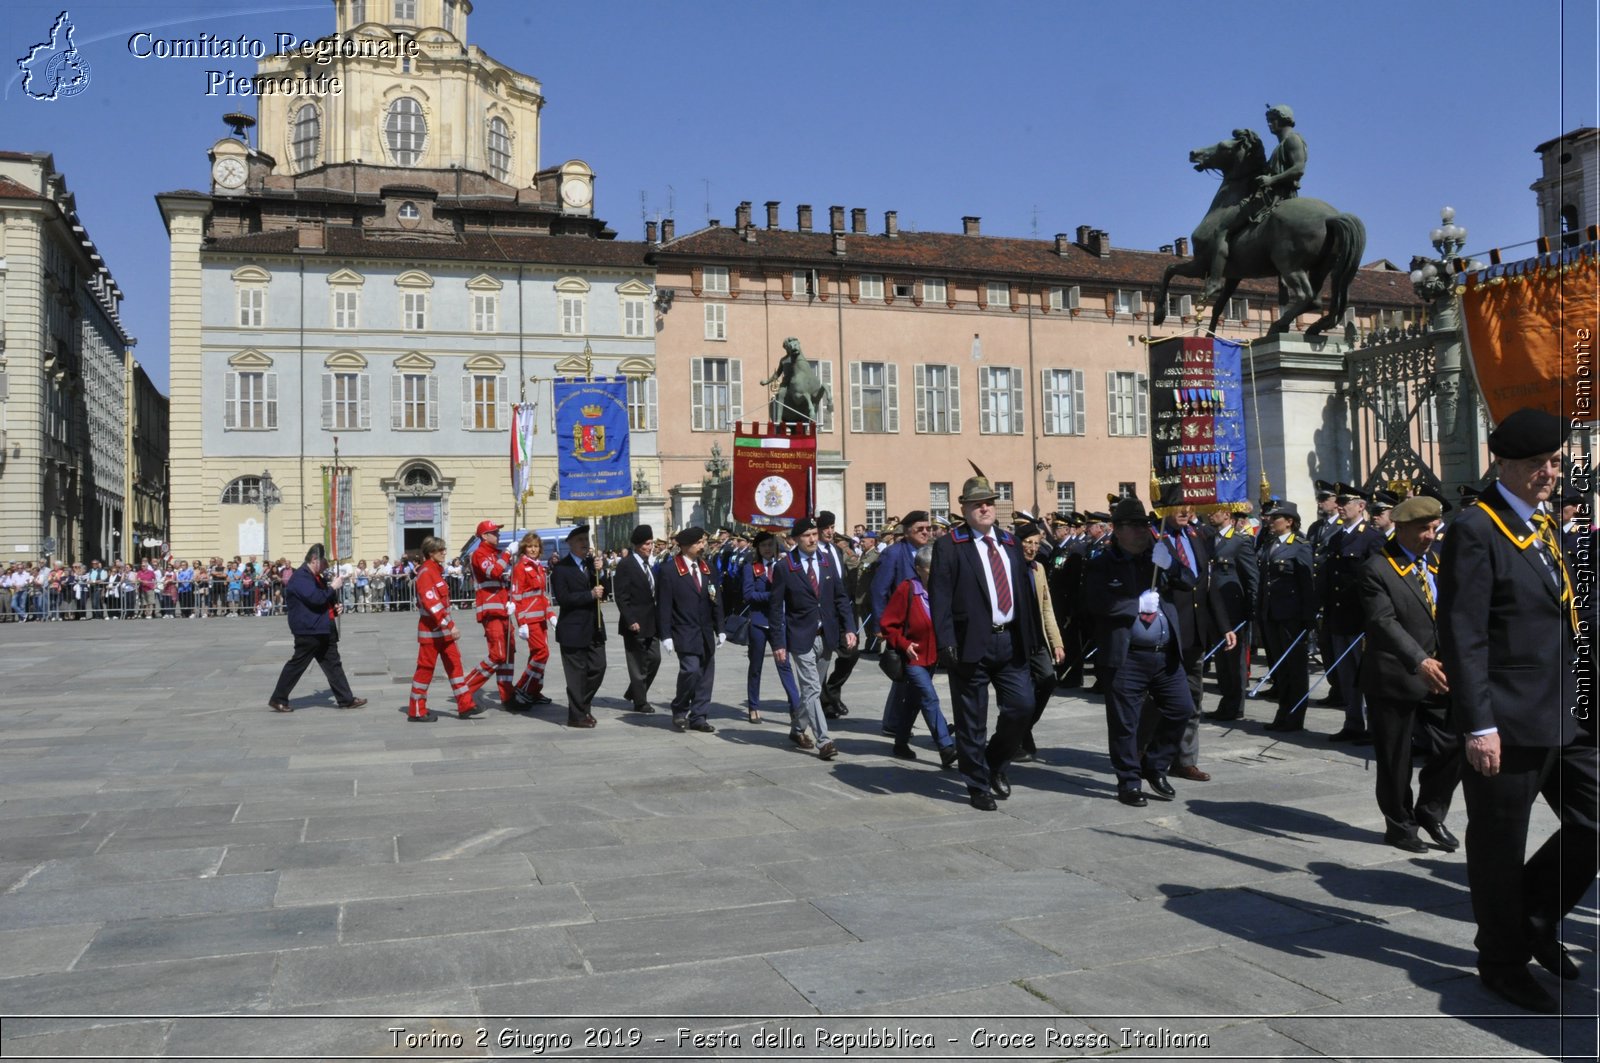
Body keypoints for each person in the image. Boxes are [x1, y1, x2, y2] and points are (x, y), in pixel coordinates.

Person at [1438, 406, 1599, 1013]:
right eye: (1536, 463)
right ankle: (1501, 961)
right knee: (1499, 847)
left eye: (1555, 462)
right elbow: (1463, 633)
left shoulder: (1542, 527)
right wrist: (1479, 724)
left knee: (1593, 824)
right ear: (1501, 462)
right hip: (1506, 719)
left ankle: (1533, 916)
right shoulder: (1477, 529)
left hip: (1569, 713)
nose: (1549, 472)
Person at [1357, 494, 1463, 854]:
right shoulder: (1378, 567)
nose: (1431, 535)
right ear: (1400, 528)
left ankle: (1430, 810)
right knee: (1394, 758)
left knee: (1455, 744)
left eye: (1434, 528)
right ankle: (1400, 825)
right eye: (1423, 529)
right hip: (1396, 676)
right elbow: (1382, 621)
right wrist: (1419, 660)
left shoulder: (1435, 562)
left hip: (1439, 674)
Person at [929, 469, 1040, 810]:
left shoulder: (1009, 542)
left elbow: (1024, 593)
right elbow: (941, 596)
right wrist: (945, 641)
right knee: (971, 720)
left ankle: (993, 762)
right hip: (969, 643)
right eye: (977, 504)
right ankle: (977, 784)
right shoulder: (951, 545)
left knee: (1022, 707)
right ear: (964, 509)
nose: (984, 509)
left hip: (1009, 640)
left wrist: (1032, 637)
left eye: (989, 503)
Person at [1083, 497, 1200, 806]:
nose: (1140, 531)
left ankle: (1156, 765)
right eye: (1132, 526)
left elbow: (1189, 582)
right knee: (1125, 723)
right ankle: (1129, 781)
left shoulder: (1158, 554)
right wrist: (1134, 605)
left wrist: (1171, 564)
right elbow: (1095, 603)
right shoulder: (1101, 563)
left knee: (1181, 708)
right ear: (1117, 530)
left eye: (1143, 525)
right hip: (1127, 655)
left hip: (1164, 653)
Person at [770, 517, 856, 760]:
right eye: (807, 535)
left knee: (812, 692)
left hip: (825, 636)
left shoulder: (827, 560)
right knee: (811, 687)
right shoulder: (786, 567)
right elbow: (776, 608)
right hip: (800, 636)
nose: (812, 539)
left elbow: (841, 598)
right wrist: (778, 643)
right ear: (796, 539)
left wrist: (849, 628)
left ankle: (797, 729)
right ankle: (824, 740)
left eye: (814, 534)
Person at [1205, 102, 1308, 301]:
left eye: (1273, 120)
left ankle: (1216, 280)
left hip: (1276, 197)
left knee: (1222, 230)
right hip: (1274, 195)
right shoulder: (1280, 145)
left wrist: (1272, 180)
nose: (1270, 124)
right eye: (1268, 121)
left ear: (1283, 119)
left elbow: (1299, 168)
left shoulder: (1292, 140)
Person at [877, 542, 958, 767]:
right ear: (919, 569)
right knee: (929, 697)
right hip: (913, 658)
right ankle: (945, 746)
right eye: (932, 569)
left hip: (933, 657)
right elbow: (888, 624)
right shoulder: (907, 589)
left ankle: (900, 743)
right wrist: (904, 644)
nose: (937, 574)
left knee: (914, 700)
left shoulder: (943, 590)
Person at [1152, 501, 1214, 781]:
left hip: (1193, 631)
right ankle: (1149, 753)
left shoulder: (1196, 536)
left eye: (1190, 506)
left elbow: (1205, 585)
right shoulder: (1153, 537)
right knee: (1156, 699)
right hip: (1164, 629)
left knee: (1192, 698)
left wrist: (1223, 625)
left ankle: (1185, 759)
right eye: (1178, 506)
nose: (1186, 512)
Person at [1321, 484, 1387, 743]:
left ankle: (1373, 725)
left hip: (1361, 618)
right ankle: (1353, 722)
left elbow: (1376, 581)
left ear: (1361, 506)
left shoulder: (1371, 537)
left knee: (1366, 674)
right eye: (1339, 501)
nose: (1340, 505)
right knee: (1347, 675)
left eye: (1346, 501)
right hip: (1339, 617)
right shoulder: (1336, 537)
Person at [266, 544, 366, 713]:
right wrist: (333, 587)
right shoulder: (301, 578)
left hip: (322, 629)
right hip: (309, 630)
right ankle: (278, 699)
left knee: (333, 664)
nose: (326, 564)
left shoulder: (315, 577)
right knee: (297, 664)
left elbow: (325, 599)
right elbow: (315, 599)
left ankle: (346, 699)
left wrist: (335, 606)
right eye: (323, 561)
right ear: (314, 560)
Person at [872, 511, 934, 743]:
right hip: (902, 625)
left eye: (928, 528)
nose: (926, 532)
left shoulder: (931, 552)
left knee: (912, 675)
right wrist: (880, 625)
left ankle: (896, 721)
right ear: (907, 531)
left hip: (925, 624)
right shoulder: (894, 554)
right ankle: (899, 722)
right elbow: (879, 589)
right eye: (920, 529)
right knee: (907, 673)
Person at [658, 526, 725, 733]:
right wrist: (665, 635)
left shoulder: (707, 567)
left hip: (705, 631)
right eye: (698, 543)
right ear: (685, 546)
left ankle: (699, 716)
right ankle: (679, 709)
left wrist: (720, 627)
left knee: (705, 675)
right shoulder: (670, 570)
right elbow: (664, 605)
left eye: (703, 542)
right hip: (684, 630)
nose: (703, 546)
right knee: (690, 669)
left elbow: (716, 599)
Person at [1257, 502, 1318, 732]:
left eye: (1276, 518)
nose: (1270, 521)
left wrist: (1308, 617)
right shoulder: (1270, 544)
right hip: (1271, 614)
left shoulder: (1299, 546)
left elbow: (1307, 584)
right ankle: (1283, 711)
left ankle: (1295, 716)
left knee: (1295, 668)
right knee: (1280, 668)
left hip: (1292, 616)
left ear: (1289, 521)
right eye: (1270, 518)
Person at [408, 537, 482, 722]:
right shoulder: (426, 572)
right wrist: (449, 624)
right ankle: (417, 709)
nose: (444, 552)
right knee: (425, 670)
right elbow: (431, 603)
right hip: (431, 632)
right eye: (440, 550)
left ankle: (465, 705)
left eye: (444, 549)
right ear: (430, 553)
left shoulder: (436, 571)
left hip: (443, 632)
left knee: (455, 666)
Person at [1014, 518, 1066, 762]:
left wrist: (1056, 642)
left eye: (1036, 543)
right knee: (1019, 695)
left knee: (1047, 681)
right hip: (1015, 641)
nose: (1032, 548)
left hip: (1037, 639)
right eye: (1027, 542)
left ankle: (1023, 728)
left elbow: (1047, 607)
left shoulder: (1039, 569)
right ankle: (1016, 737)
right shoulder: (1009, 568)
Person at [1202, 506, 1259, 722]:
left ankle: (1236, 706)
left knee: (1235, 662)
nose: (1209, 514)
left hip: (1233, 608)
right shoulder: (1209, 540)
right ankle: (1226, 701)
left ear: (1227, 515)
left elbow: (1251, 576)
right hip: (1214, 608)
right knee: (1221, 660)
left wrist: (1252, 608)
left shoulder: (1240, 541)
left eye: (1215, 511)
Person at [742, 531, 802, 727]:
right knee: (756, 666)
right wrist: (773, 595)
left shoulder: (783, 566)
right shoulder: (752, 568)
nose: (767, 549)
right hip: (759, 622)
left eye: (770, 545)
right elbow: (749, 595)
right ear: (758, 549)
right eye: (764, 546)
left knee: (784, 665)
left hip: (779, 623)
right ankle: (753, 706)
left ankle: (795, 707)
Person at [551, 524, 605, 728]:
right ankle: (577, 714)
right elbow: (563, 598)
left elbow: (604, 590)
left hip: (594, 626)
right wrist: (589, 595)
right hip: (573, 628)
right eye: (581, 540)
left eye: (586, 539)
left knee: (599, 667)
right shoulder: (561, 568)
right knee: (577, 674)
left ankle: (581, 704)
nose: (585, 544)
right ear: (570, 544)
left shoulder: (591, 565)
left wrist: (601, 573)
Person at [462, 519, 517, 707]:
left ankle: (508, 695)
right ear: (484, 536)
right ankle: (465, 689)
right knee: (498, 655)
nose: (498, 534)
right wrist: (509, 553)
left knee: (508, 654)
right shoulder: (479, 554)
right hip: (491, 610)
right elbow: (493, 572)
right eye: (494, 532)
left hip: (502, 609)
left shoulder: (495, 554)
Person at [613, 524, 662, 714]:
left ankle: (635, 690)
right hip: (635, 623)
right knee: (637, 664)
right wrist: (629, 619)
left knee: (654, 659)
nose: (649, 548)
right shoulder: (626, 565)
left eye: (651, 543)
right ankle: (640, 702)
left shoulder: (648, 564)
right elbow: (621, 596)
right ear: (637, 545)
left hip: (652, 622)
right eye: (646, 544)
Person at [815, 511, 861, 719]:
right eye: (826, 528)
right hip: (822, 613)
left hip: (841, 610)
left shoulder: (835, 549)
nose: (830, 532)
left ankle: (832, 691)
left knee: (851, 653)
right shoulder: (813, 551)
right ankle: (825, 701)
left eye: (832, 527)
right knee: (821, 658)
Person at [509, 532, 554, 708]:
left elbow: (542, 595)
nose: (533, 549)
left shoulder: (539, 567)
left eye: (536, 546)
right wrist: (522, 623)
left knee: (537, 654)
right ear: (524, 548)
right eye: (530, 546)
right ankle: (522, 687)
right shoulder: (520, 568)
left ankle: (534, 690)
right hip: (530, 619)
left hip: (540, 618)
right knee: (542, 653)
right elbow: (517, 597)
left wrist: (551, 615)